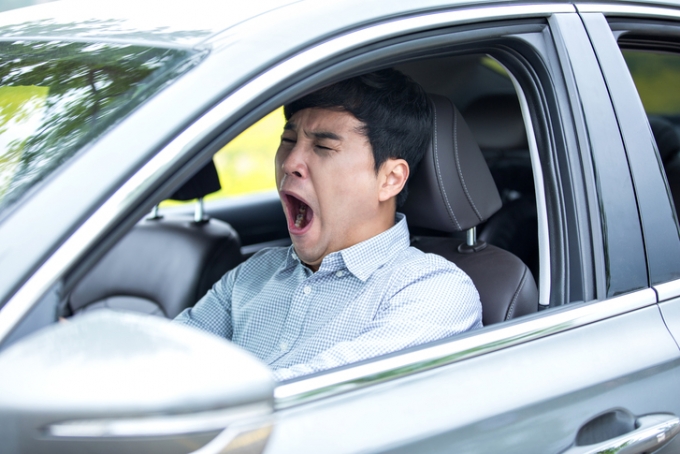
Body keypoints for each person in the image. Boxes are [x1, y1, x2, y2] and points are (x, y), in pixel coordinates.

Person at [174, 69, 482, 380]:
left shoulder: (434, 291)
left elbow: (315, 396)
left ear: (390, 179)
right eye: (288, 140)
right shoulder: (252, 275)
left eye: (323, 147)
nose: (290, 163)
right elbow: (166, 360)